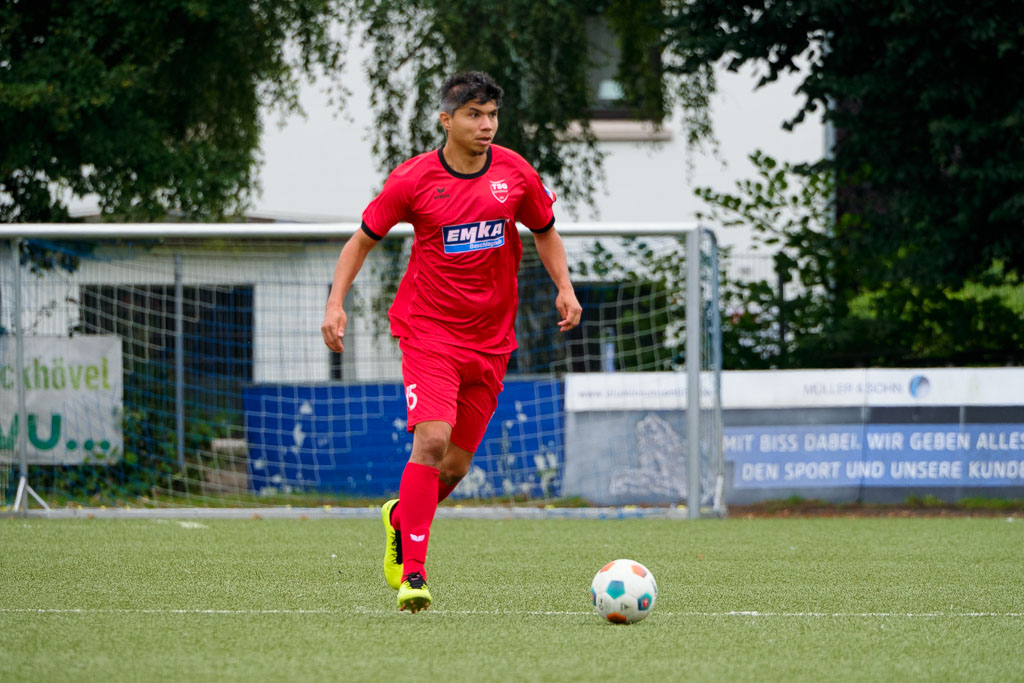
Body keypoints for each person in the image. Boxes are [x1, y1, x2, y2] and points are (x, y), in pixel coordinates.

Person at [321, 71, 582, 613]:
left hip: (491, 342)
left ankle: (401, 516)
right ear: (447, 120)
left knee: (456, 468)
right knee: (432, 442)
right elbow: (359, 241)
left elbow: (545, 229)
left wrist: (564, 286)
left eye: (492, 115)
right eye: (473, 115)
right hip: (429, 331)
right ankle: (413, 572)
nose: (486, 125)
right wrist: (334, 303)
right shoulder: (413, 180)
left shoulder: (516, 173)